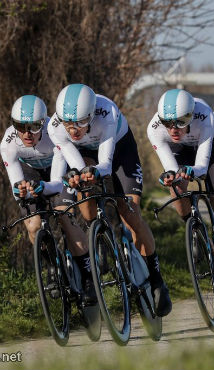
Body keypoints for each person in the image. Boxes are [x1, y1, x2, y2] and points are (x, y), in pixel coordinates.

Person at [47, 83, 172, 317]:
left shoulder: (107, 114)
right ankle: (101, 240)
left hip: (119, 152)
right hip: (84, 154)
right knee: (86, 212)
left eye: (81, 122)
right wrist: (80, 173)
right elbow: (76, 163)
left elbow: (104, 164)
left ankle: (156, 280)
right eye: (68, 123)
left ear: (92, 114)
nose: (74, 130)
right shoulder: (55, 127)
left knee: (130, 211)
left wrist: (94, 171)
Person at [147, 88, 214, 309]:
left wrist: (190, 171)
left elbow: (202, 167)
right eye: (168, 123)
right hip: (181, 151)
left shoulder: (204, 116)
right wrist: (171, 177)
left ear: (191, 115)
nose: (174, 128)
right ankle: (193, 228)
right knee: (176, 187)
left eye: (180, 121)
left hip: (212, 150)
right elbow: (170, 167)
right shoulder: (155, 128)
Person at [0, 95, 97, 303]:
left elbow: (56, 182)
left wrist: (44, 188)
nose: (27, 133)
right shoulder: (8, 142)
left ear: (43, 124)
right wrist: (22, 191)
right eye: (20, 126)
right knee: (33, 225)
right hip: (30, 172)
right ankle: (53, 266)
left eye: (34, 126)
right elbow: (16, 185)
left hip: (57, 172)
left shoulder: (55, 134)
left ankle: (89, 278)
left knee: (64, 216)